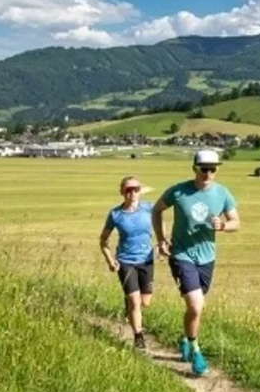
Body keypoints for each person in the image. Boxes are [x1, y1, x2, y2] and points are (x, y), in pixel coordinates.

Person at [152, 149, 239, 376]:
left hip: (207, 257)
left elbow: (236, 222)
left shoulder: (222, 193)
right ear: (194, 168)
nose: (208, 173)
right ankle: (196, 350)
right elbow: (157, 210)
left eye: (213, 169)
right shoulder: (179, 191)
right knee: (195, 305)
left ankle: (184, 337)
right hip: (181, 255)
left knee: (197, 307)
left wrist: (223, 226)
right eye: (204, 169)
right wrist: (161, 239)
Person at [99, 175, 155, 351]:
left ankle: (129, 307)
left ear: (140, 191)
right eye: (128, 189)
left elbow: (160, 224)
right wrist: (110, 260)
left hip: (147, 260)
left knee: (145, 302)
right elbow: (103, 240)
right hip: (125, 261)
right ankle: (138, 337)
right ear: (122, 192)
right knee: (135, 299)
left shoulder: (149, 208)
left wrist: (163, 242)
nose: (132, 193)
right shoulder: (116, 214)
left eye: (136, 189)